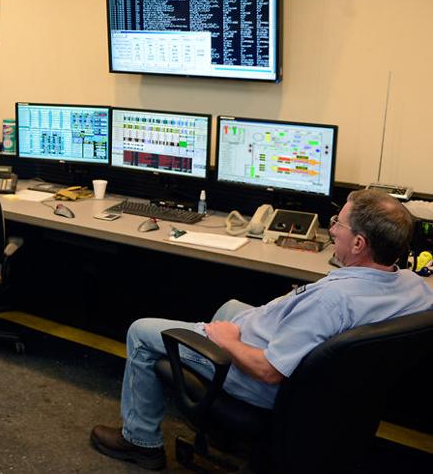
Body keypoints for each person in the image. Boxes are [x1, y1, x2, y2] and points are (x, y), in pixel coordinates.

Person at [91, 189, 433, 470]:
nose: (331, 230)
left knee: (141, 331)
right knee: (230, 307)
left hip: (263, 376)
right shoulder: (412, 285)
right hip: (323, 384)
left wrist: (227, 340)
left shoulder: (332, 301)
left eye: (337, 224)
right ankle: (216, 418)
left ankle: (140, 442)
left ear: (359, 244)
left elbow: (268, 370)